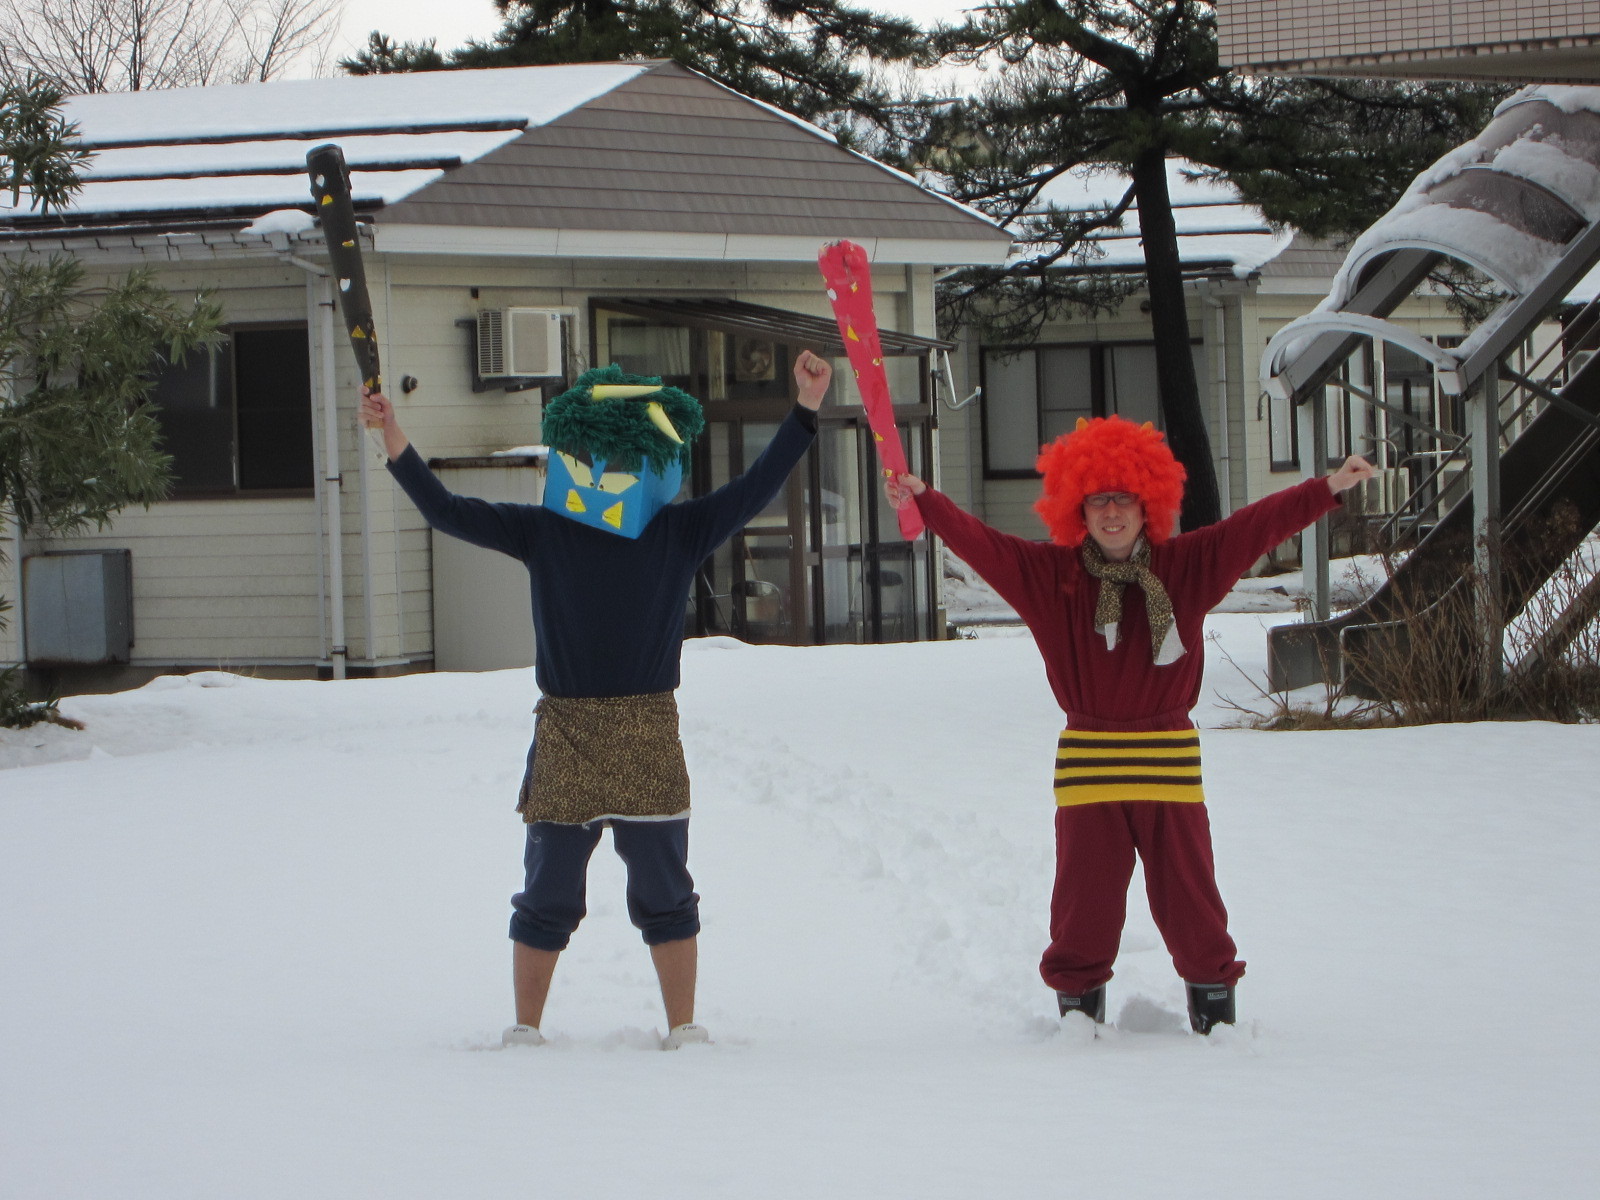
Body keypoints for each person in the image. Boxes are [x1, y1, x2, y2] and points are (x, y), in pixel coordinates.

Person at [359, 349, 831, 1050]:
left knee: (665, 888)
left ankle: (684, 1027)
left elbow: (757, 487)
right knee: (548, 889)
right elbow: (447, 509)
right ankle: (524, 1028)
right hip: (568, 732)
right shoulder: (544, 530)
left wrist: (805, 410)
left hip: (647, 729)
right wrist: (392, 437)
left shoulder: (676, 529)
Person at [886, 416, 1373, 1034]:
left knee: (1192, 903)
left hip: (1168, 762)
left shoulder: (1188, 565)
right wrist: (926, 500)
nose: (1111, 513)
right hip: (1089, 767)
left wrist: (1326, 488)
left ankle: (1215, 1020)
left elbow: (1256, 528)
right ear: (1077, 509)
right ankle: (1078, 1024)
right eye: (1097, 500)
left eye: (1124, 499)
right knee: (1082, 908)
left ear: (1150, 505)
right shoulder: (1049, 576)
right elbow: (981, 543)